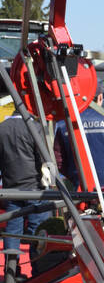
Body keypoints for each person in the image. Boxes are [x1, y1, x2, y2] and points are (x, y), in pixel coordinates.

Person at [54, 83, 104, 189]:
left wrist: (76, 179)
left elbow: (59, 162)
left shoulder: (63, 124)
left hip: (82, 191)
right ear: (100, 97)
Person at [0, 111, 50, 273]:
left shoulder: (2, 128)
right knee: (39, 230)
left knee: (13, 230)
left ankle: (12, 270)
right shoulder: (33, 127)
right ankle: (39, 269)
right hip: (34, 188)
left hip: (11, 188)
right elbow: (43, 158)